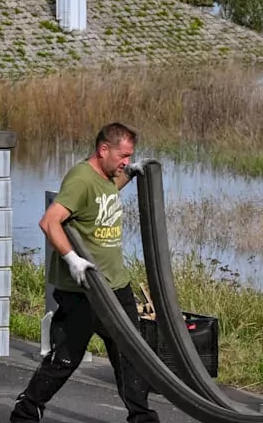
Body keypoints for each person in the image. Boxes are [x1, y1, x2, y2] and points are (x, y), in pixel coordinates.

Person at [10, 122, 160, 423]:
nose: (126, 161)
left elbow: (106, 192)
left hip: (116, 286)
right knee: (65, 359)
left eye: (130, 156)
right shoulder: (81, 179)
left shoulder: (108, 176)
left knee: (131, 356)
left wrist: (131, 173)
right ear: (103, 149)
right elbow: (49, 221)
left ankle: (142, 418)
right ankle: (26, 413)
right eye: (123, 156)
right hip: (84, 290)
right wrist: (72, 259)